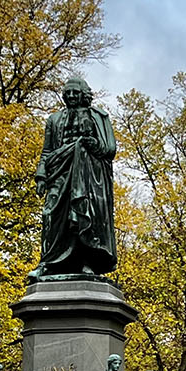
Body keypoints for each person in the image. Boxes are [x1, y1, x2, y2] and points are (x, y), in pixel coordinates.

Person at [31, 76, 118, 279]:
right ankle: (49, 263)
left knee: (83, 215)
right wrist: (41, 175)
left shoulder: (97, 116)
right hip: (59, 172)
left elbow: (109, 149)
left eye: (75, 92)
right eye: (67, 92)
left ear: (83, 94)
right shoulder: (54, 119)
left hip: (88, 174)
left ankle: (87, 262)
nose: (70, 96)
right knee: (50, 214)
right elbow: (47, 151)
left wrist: (91, 143)